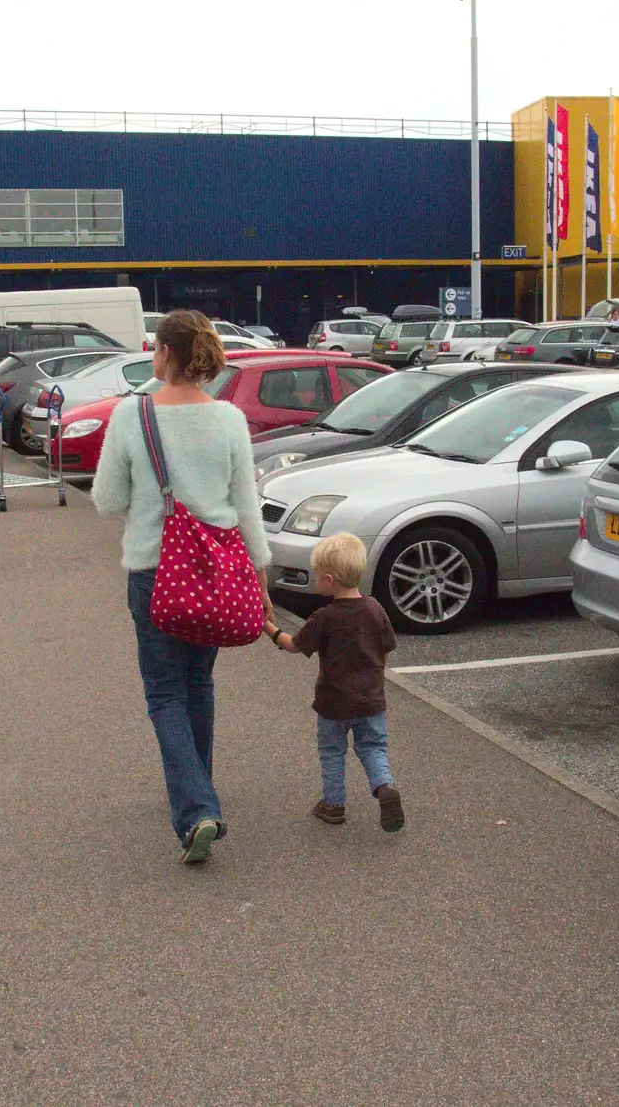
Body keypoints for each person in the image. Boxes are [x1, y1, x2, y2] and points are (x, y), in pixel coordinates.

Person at [92, 310, 272, 864]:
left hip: (154, 572)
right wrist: (261, 583)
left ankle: (198, 809)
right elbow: (247, 510)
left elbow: (106, 501)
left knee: (164, 691)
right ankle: (201, 792)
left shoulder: (132, 415)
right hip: (217, 574)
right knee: (199, 684)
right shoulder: (229, 420)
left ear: (165, 354)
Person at [263, 532, 405, 833]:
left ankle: (333, 804)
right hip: (371, 700)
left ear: (328, 580)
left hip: (333, 703)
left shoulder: (324, 617)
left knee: (332, 752)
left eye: (317, 574)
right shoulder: (375, 609)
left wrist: (268, 627)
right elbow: (386, 648)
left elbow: (293, 645)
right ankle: (383, 787)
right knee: (373, 747)